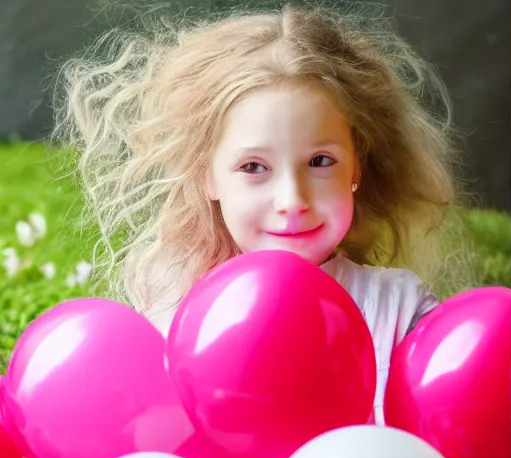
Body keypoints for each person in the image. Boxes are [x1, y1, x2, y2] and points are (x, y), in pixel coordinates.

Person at [55, 5, 456, 425]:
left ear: (355, 166)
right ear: (207, 177)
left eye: (320, 161)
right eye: (253, 167)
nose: (291, 199)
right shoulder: (176, 301)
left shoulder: (400, 309)